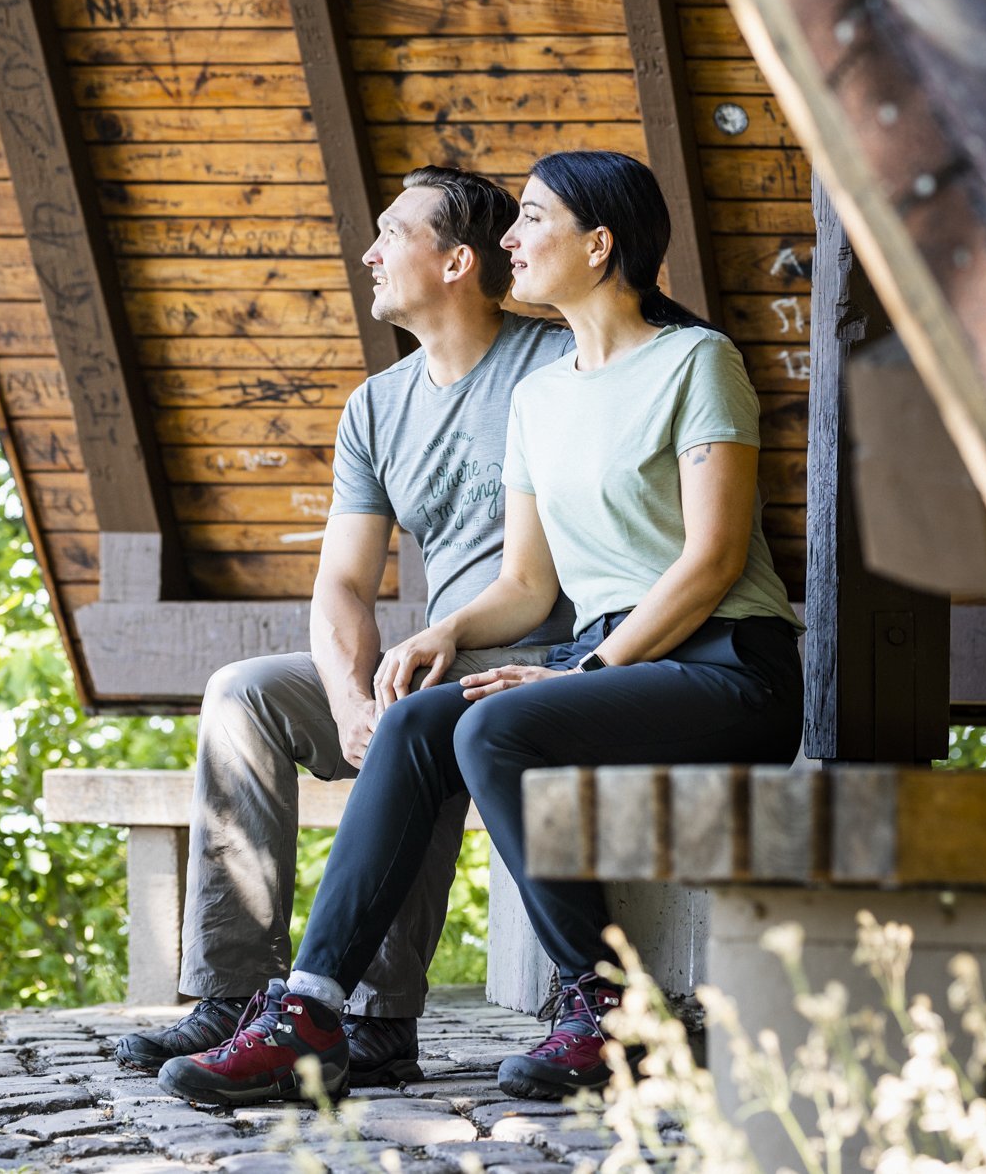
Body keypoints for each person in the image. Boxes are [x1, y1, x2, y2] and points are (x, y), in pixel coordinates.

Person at [155, 150, 804, 1107]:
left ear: (599, 242)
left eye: (532, 219)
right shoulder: (544, 400)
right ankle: (310, 1013)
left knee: (486, 722)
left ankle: (609, 1009)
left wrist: (581, 669)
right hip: (609, 664)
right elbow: (526, 578)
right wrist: (444, 630)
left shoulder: (696, 362)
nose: (510, 239)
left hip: (724, 662)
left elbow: (709, 564)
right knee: (425, 713)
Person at [115, 165, 573, 1086]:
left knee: (417, 699)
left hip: (545, 658)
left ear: (455, 260)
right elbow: (342, 586)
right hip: (432, 657)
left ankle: (374, 1017)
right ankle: (231, 988)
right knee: (244, 693)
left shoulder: (555, 363)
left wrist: (390, 694)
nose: (367, 252)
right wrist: (344, 697)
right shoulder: (376, 407)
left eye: (390, 234)